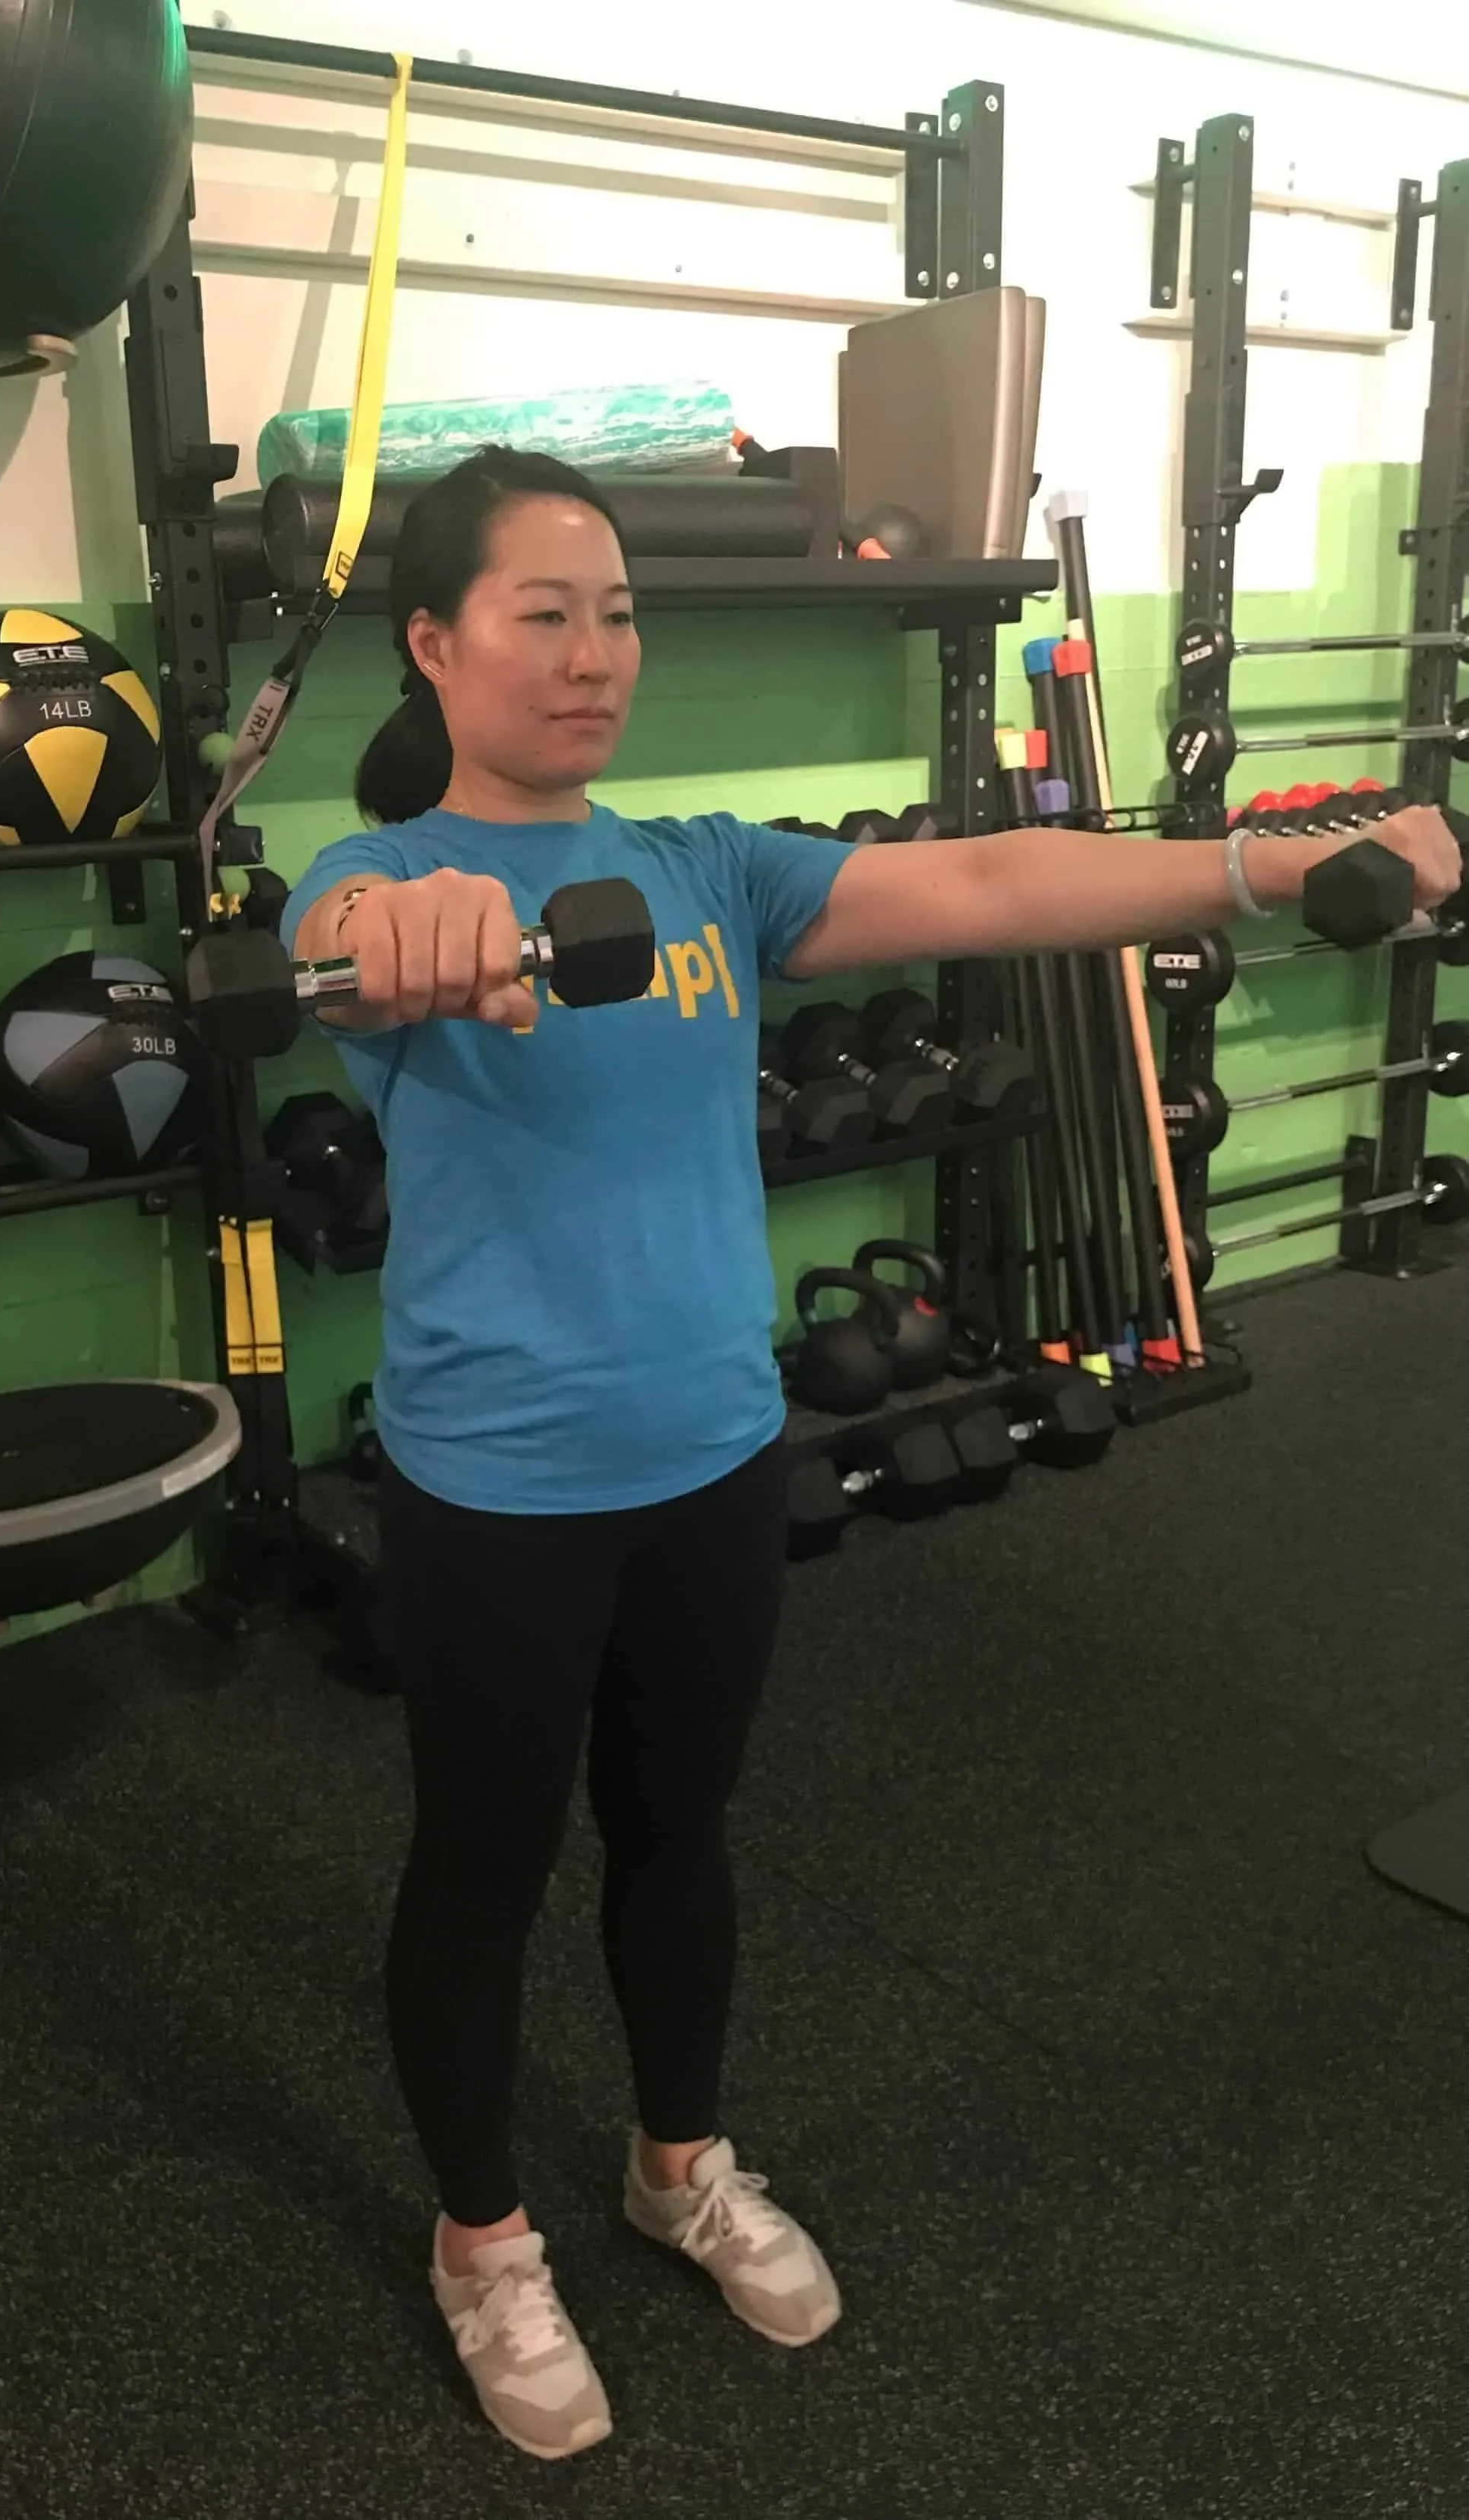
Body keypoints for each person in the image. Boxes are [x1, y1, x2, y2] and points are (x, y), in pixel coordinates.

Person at [280, 447, 1458, 2463]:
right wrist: (414, 915)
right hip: (493, 1487)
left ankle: (675, 2162)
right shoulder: (375, 885)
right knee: (479, 1870)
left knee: (682, 1832)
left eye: (617, 610)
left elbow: (997, 882)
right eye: (541, 612)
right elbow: (355, 938)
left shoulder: (707, 873)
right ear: (433, 638)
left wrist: (1274, 860)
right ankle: (482, 2240)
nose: (590, 653)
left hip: (714, 1458)